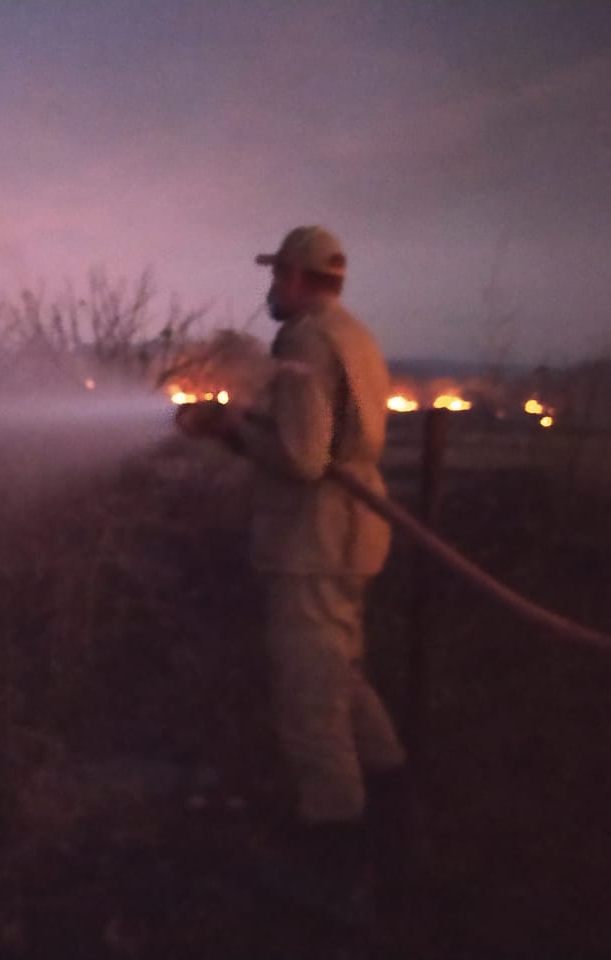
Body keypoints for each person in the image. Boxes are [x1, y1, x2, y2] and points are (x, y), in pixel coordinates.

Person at [175, 225, 414, 924]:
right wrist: (250, 416)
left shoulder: (305, 341)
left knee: (312, 706)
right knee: (342, 679)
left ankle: (334, 874)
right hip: (346, 542)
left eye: (277, 277)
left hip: (313, 547)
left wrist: (226, 433)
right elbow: (320, 433)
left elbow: (304, 459)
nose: (270, 290)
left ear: (299, 279)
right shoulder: (354, 336)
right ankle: (397, 826)